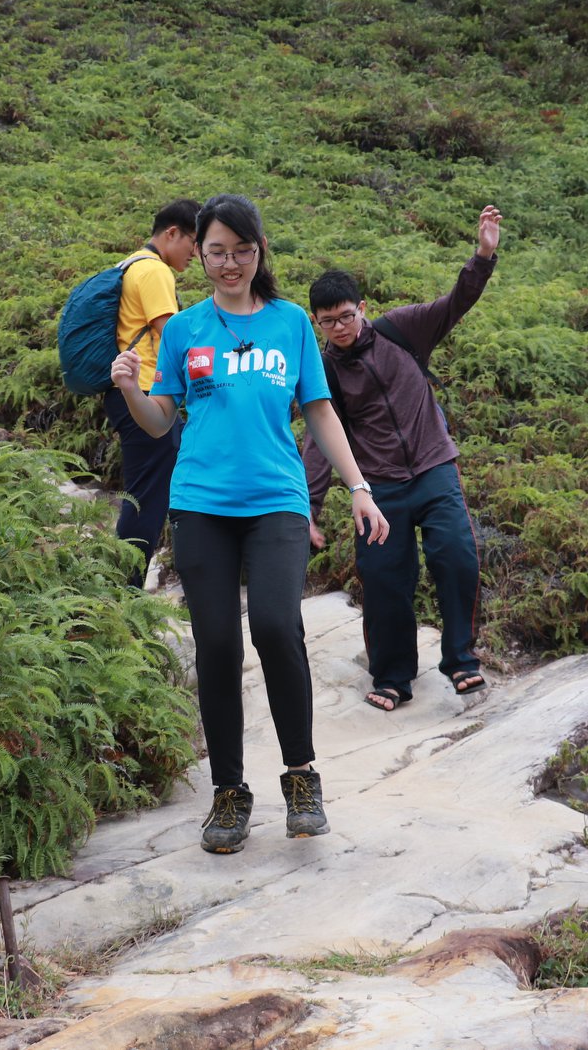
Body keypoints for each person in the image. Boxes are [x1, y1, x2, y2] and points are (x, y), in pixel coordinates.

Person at [112, 194, 390, 855]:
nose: (229, 263)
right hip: (200, 503)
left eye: (241, 250)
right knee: (214, 643)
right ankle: (229, 793)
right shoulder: (184, 329)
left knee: (273, 624)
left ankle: (301, 777)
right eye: (215, 251)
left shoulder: (290, 323)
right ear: (199, 254)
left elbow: (318, 410)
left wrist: (358, 487)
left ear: (259, 251)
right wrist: (129, 388)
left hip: (276, 501)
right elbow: (160, 419)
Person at [302, 205, 503, 713]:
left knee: (456, 558)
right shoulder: (326, 371)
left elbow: (456, 303)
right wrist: (309, 507)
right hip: (379, 488)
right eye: (328, 322)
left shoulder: (403, 330)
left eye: (346, 316)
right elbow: (321, 438)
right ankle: (392, 676)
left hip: (434, 468)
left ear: (362, 307)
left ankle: (462, 662)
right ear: (316, 323)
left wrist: (483, 256)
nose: (340, 328)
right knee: (384, 579)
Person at [105, 199, 199, 588]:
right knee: (147, 497)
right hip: (144, 393)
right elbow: (172, 334)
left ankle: (121, 587)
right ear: (172, 233)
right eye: (193, 241)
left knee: (143, 491)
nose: (196, 252)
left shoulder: (130, 264)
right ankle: (123, 591)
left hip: (129, 391)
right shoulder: (155, 270)